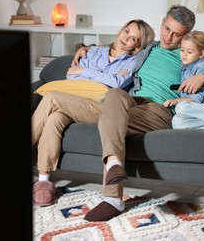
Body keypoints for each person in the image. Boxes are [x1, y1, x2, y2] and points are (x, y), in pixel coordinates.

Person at [78, 5, 204, 222]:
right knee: (114, 94)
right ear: (162, 22)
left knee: (110, 123)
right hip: (132, 101)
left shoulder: (188, 55)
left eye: (177, 34)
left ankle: (112, 198)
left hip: (159, 109)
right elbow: (118, 46)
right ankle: (114, 165)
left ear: (186, 36)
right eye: (167, 29)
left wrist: (202, 79)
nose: (169, 37)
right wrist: (85, 48)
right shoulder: (149, 46)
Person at [32, 19, 155, 207]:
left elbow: (116, 83)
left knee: (51, 98)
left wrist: (86, 70)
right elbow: (72, 75)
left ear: (137, 46)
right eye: (126, 31)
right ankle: (44, 180)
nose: (126, 38)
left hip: (101, 109)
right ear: (121, 29)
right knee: (54, 119)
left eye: (133, 38)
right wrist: (96, 74)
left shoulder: (132, 61)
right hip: (74, 101)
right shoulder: (95, 51)